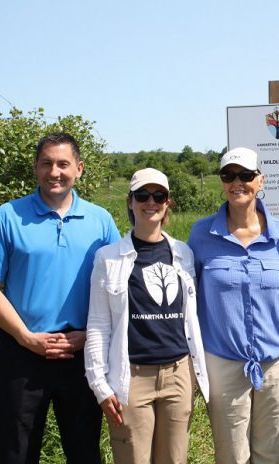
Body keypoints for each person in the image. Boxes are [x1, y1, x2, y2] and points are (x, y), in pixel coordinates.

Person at [0, 132, 120, 464]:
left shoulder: (101, 221)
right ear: (36, 168)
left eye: (63, 164)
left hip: (81, 351)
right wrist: (25, 338)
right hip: (22, 351)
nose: (55, 172)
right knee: (15, 452)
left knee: (84, 451)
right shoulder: (7, 217)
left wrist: (93, 336)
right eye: (47, 163)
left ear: (79, 169)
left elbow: (118, 287)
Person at [84, 168, 209, 463]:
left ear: (168, 202)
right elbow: (99, 325)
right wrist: (100, 385)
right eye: (142, 195)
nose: (150, 202)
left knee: (174, 459)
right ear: (130, 201)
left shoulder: (183, 253)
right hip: (132, 377)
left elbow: (191, 316)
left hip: (178, 374)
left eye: (159, 196)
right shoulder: (109, 258)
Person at [188, 147, 279, 463]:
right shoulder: (201, 233)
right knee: (232, 455)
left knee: (271, 453)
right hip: (223, 360)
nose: (238, 182)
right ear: (222, 181)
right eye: (229, 175)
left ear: (260, 180)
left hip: (276, 360)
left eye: (246, 175)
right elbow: (191, 296)